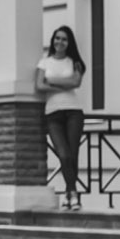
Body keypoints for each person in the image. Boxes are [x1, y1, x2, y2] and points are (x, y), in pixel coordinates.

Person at [35, 26, 86, 211]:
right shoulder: (44, 62)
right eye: (57, 38)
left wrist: (52, 82)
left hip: (74, 111)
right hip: (53, 114)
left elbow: (76, 82)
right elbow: (40, 85)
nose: (60, 42)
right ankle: (73, 192)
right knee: (63, 154)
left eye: (64, 39)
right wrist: (62, 85)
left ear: (69, 42)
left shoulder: (75, 62)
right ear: (53, 40)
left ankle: (70, 195)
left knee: (72, 155)